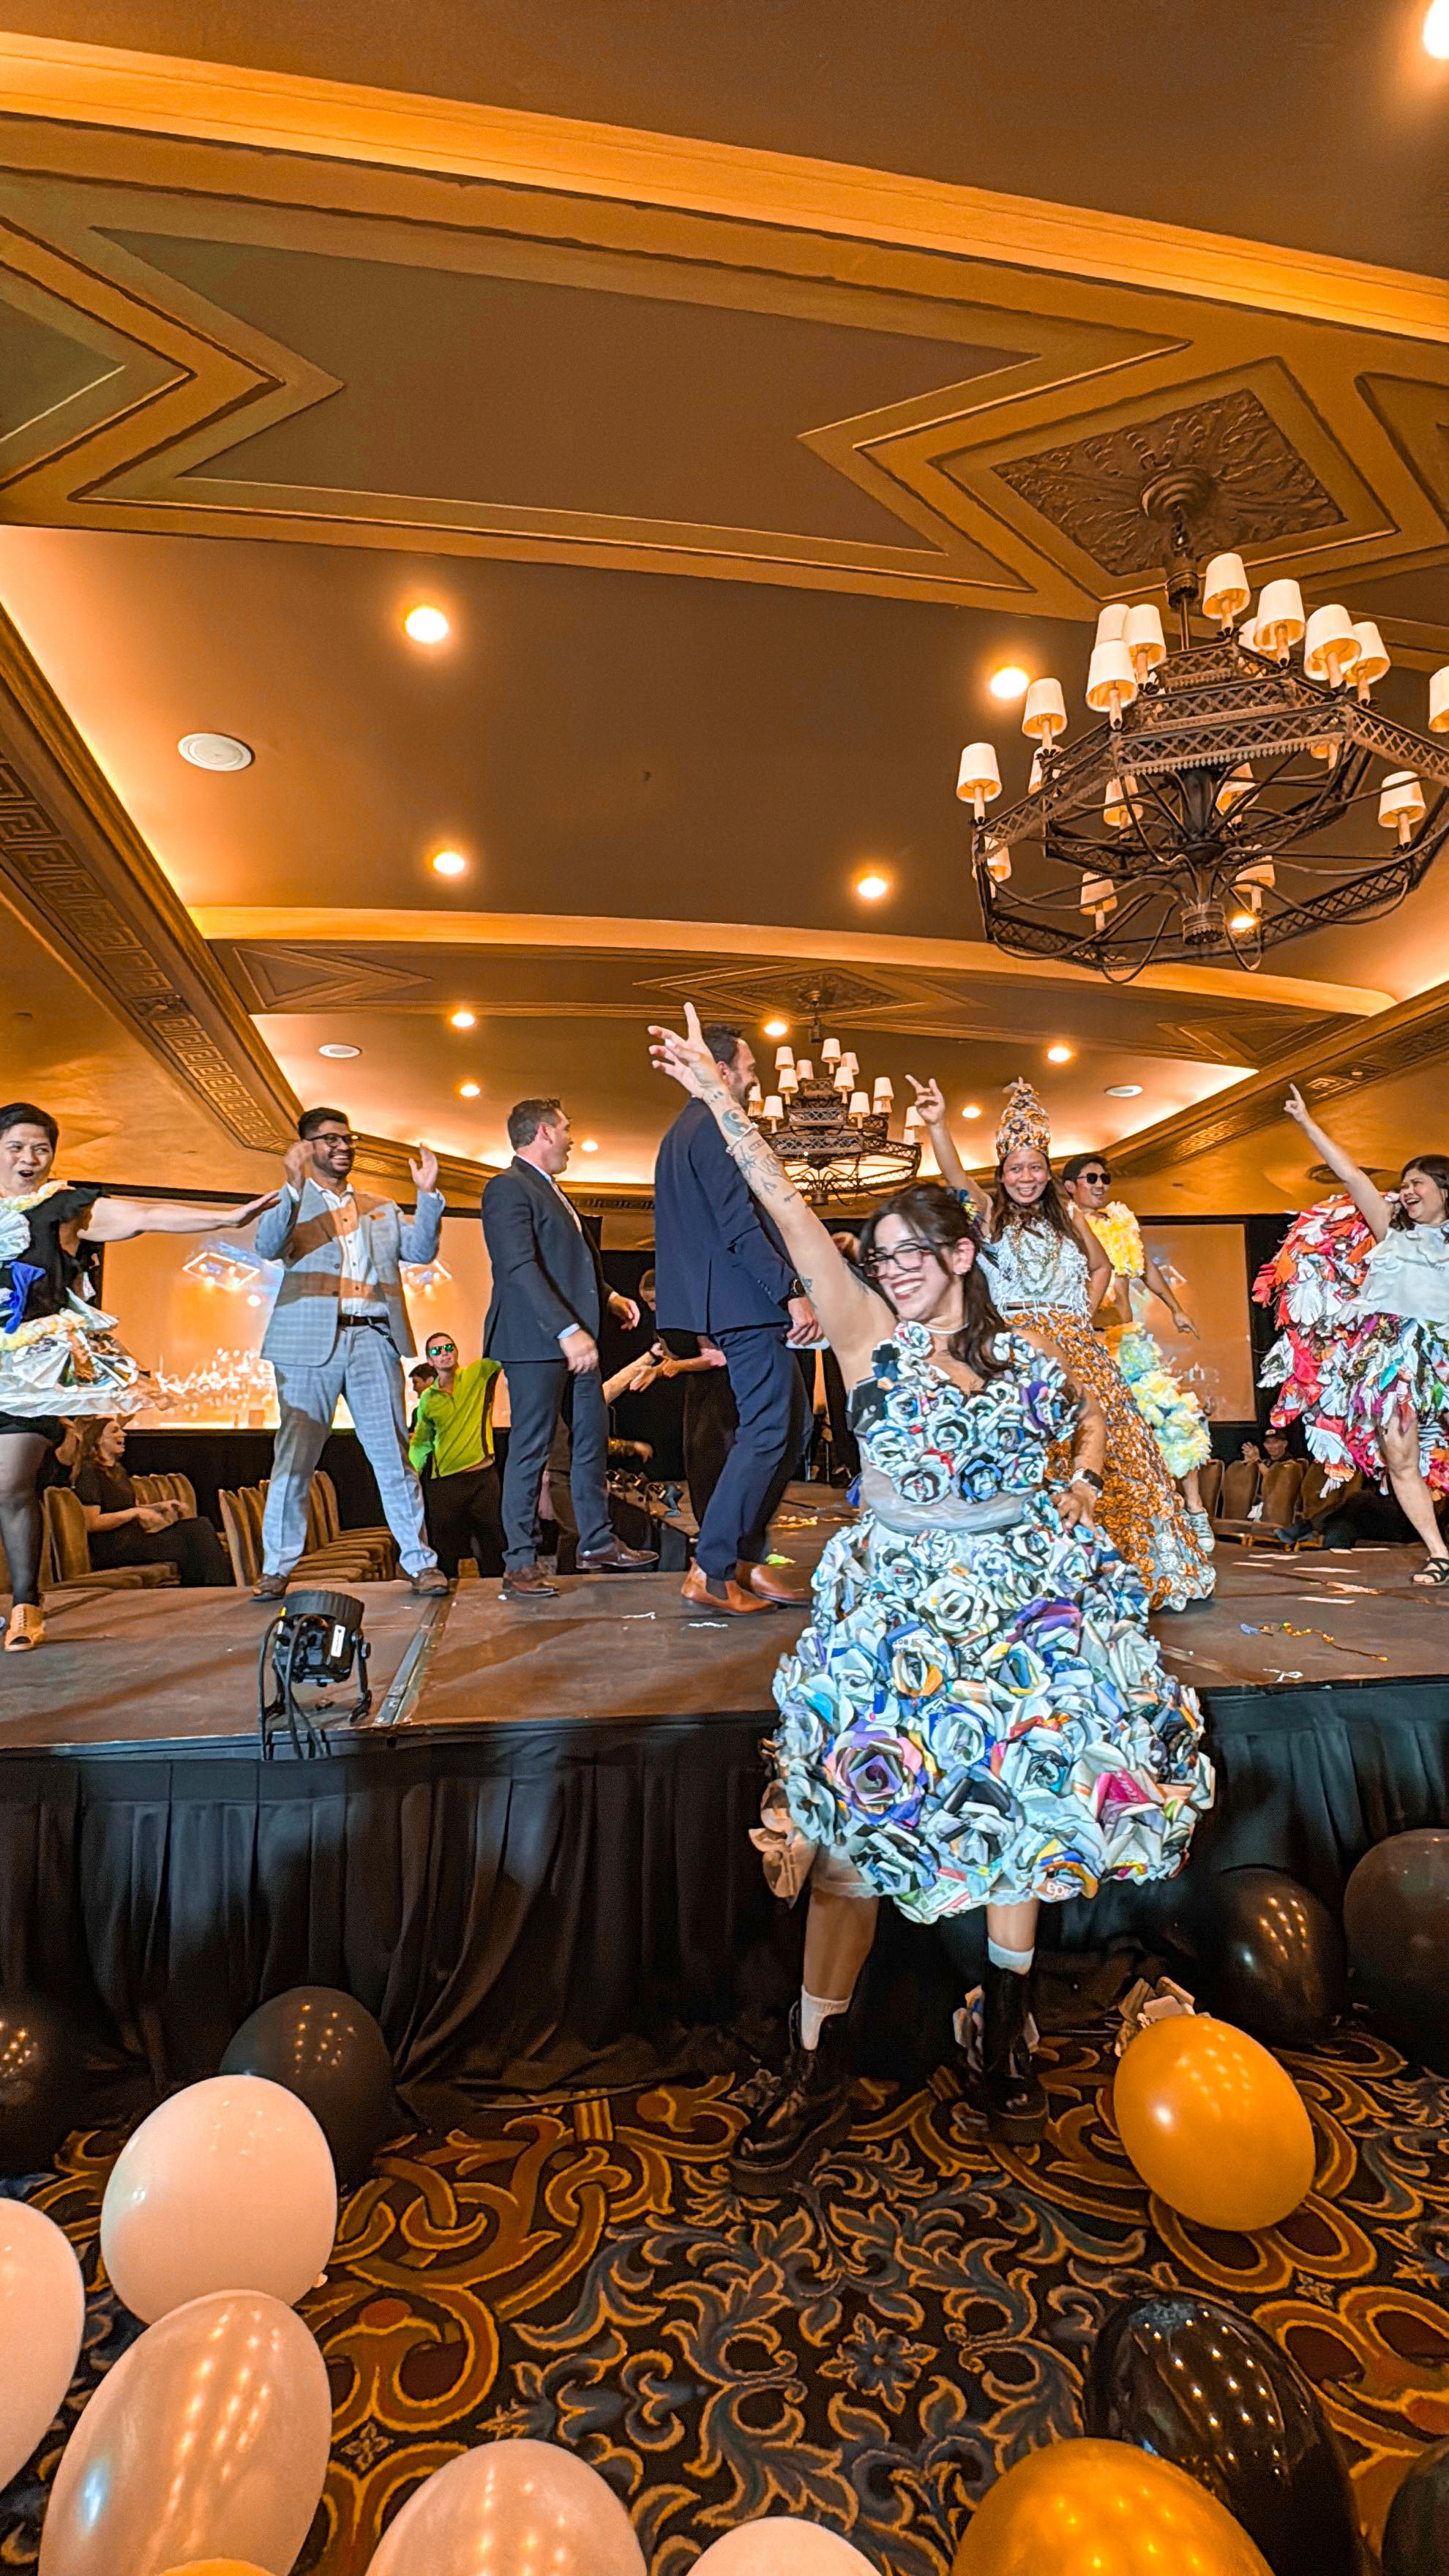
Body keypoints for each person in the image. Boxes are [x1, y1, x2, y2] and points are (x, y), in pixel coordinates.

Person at [648, 1006, 1212, 2190]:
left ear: (962, 1255)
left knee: (1018, 1827)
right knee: (849, 1846)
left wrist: (1087, 1484)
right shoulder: (863, 1336)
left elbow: (1094, 1417)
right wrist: (721, 1101)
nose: (893, 1263)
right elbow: (794, 1217)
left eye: (914, 1248)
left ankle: (1003, 2040)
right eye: (883, 1250)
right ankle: (820, 2060)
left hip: (1015, 1606)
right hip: (896, 1615)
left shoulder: (1026, 1360)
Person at [909, 1077, 1213, 1611]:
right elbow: (955, 1175)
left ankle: (1119, 1568)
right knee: (1033, 1454)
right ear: (1002, 1176)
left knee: (1109, 1454)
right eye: (1014, 1169)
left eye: (1034, 1167)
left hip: (1079, 1348)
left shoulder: (1070, 1216)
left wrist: (1079, 1312)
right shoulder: (989, 1213)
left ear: (1048, 1172)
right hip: (1017, 1352)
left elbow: (1102, 1266)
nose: (1025, 1178)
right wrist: (938, 1124)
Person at [0, 1101, 273, 1651]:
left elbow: (146, 1215)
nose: (30, 1158)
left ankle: (27, 1604)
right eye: (17, 1147)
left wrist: (226, 1218)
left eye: (41, 1148)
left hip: (33, 1367)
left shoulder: (63, 1207)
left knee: (9, 1483)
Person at [653, 1021, 818, 1615]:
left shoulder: (686, 1128)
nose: (755, 1076)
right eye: (749, 1066)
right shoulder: (712, 1126)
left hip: (730, 1301)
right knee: (771, 1431)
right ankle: (714, 1569)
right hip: (744, 1301)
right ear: (720, 1071)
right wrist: (789, 1291)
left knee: (787, 1426)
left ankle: (744, 1560)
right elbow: (737, 1224)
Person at [252, 1107, 449, 1600]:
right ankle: (276, 1568)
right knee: (294, 1460)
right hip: (305, 1345)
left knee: (393, 1458)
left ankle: (420, 1563)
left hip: (371, 1339)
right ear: (307, 1146)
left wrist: (427, 1196)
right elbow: (267, 1244)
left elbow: (422, 1252)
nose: (343, 1146)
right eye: (331, 1139)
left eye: (348, 1139)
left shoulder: (380, 1208)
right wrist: (293, 1186)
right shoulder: (291, 1202)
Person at [1269, 1086, 1449, 1583]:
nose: (1407, 1191)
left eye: (1418, 1184)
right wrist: (1307, 1123)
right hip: (1394, 1361)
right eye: (1404, 1184)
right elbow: (1351, 1174)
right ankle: (1438, 1553)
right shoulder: (1390, 1234)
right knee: (1400, 1458)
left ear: (1444, 1190)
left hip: (1444, 1359)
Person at [481, 1097, 656, 1599]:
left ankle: (595, 1540)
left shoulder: (554, 1193)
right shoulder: (507, 1188)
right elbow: (519, 1268)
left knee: (590, 1437)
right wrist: (564, 1328)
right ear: (542, 1132)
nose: (572, 1138)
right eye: (566, 1129)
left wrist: (610, 1297)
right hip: (536, 1339)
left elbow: (564, 1264)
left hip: (576, 1339)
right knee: (532, 1448)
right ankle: (519, 1561)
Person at [1059, 1153, 1213, 1546]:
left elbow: (1146, 1267)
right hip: (1086, 1342)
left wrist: (1175, 1309)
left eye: (1105, 1178)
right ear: (1070, 1186)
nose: (1100, 1184)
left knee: (1175, 1417)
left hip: (1126, 1341)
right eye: (1091, 1177)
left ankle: (1194, 1508)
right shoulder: (1061, 1228)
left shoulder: (1121, 1222)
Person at [70, 1418, 229, 1585]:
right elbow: (92, 1522)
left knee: (198, 1527)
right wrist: (135, 1513)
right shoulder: (89, 1473)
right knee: (196, 1531)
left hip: (135, 1539)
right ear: (98, 1440)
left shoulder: (118, 1471)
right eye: (115, 1431)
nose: (123, 1434)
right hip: (114, 1547)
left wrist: (158, 1507)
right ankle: (218, 1589)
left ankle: (207, 1590)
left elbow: (126, 1507)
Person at [407, 1332, 504, 1579]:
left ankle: (497, 1595)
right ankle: (443, 1602)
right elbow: (421, 1442)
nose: (444, 1353)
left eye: (448, 1347)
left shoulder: (479, 1373)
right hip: (445, 1482)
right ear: (430, 1361)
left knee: (493, 1541)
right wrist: (412, 1474)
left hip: (483, 1477)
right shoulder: (428, 1399)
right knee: (445, 1548)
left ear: (456, 1351)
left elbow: (501, 1349)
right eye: (437, 1351)